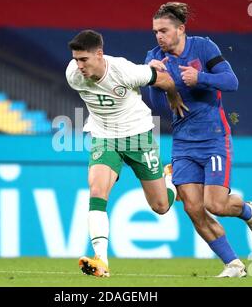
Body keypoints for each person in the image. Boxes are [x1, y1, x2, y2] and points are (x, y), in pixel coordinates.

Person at [145, 2, 252, 277]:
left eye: (164, 31)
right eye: (155, 32)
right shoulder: (153, 57)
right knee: (192, 207)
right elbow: (156, 105)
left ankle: (248, 211)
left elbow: (231, 81)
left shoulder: (203, 47)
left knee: (215, 204)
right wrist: (156, 78)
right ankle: (234, 265)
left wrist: (200, 77)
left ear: (181, 29)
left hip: (214, 138)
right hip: (182, 143)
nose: (159, 37)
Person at [66, 29, 188, 277]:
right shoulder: (73, 74)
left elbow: (162, 79)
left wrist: (173, 97)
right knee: (97, 189)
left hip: (139, 136)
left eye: (84, 60)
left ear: (99, 54)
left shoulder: (124, 71)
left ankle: (170, 179)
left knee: (161, 206)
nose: (79, 65)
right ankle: (101, 260)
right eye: (76, 59)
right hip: (104, 137)